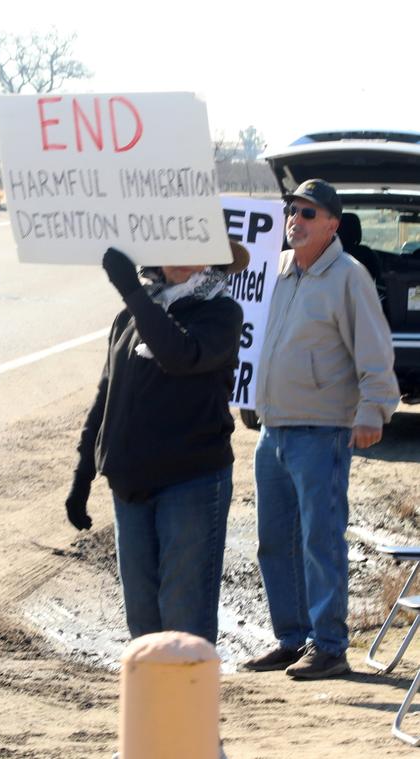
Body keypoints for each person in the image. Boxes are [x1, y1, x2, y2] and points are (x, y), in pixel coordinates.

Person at [243, 179, 398, 679]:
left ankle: (329, 646)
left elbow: (374, 349)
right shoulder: (280, 270)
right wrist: (249, 393)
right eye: (292, 210)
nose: (296, 220)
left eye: (308, 213)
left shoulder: (348, 276)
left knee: (321, 539)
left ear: (332, 223)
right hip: (274, 430)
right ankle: (291, 640)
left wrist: (374, 409)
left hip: (322, 430)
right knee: (274, 541)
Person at [64, 241, 248, 645]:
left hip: (191, 483)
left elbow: (179, 354)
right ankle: (152, 709)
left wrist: (131, 290)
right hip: (130, 485)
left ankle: (188, 709)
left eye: (197, 246)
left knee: (184, 621)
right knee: (143, 624)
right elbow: (106, 396)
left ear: (213, 257)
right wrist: (83, 474)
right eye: (174, 245)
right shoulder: (130, 317)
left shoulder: (220, 313)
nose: (183, 255)